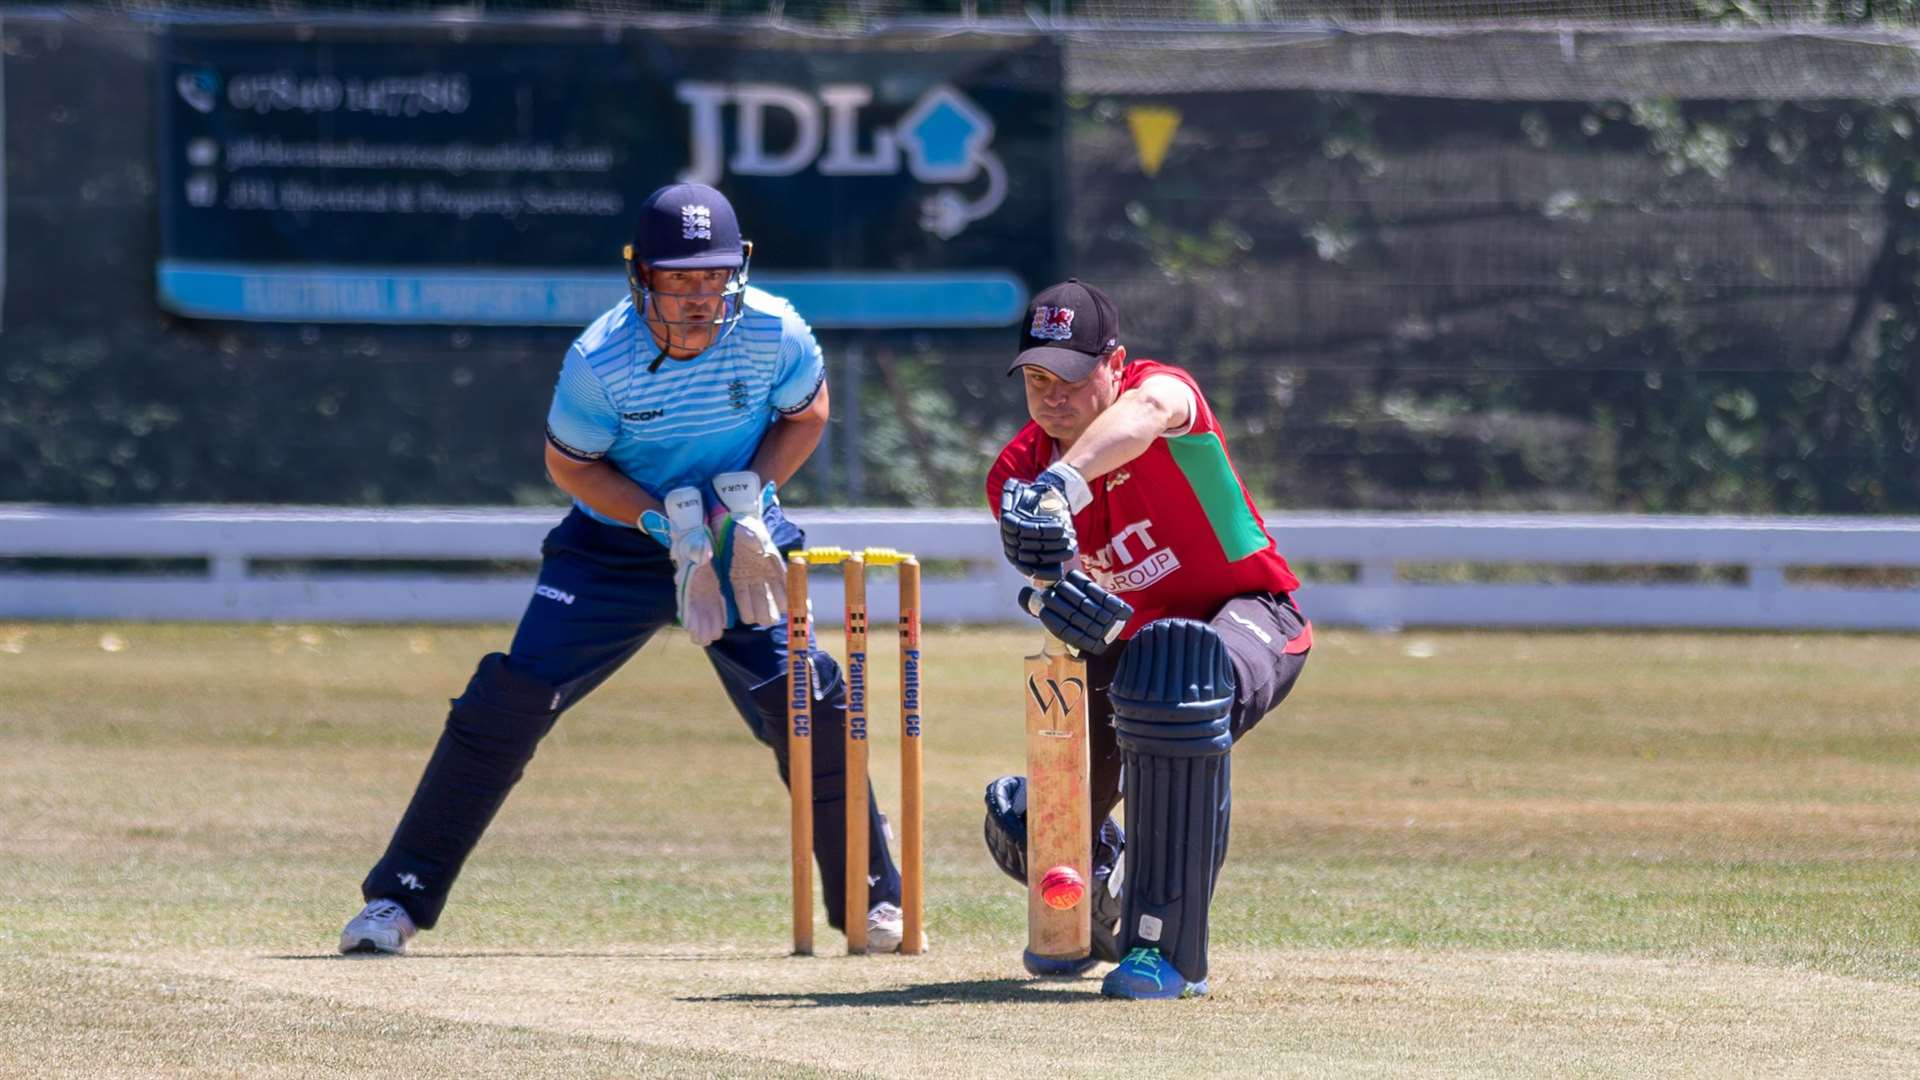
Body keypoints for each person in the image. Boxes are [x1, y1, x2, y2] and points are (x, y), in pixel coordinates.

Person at [338, 182, 906, 955]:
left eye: (712, 278)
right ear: (641, 276)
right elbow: (568, 466)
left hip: (738, 535)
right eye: (679, 279)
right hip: (617, 544)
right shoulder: (600, 360)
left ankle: (870, 902)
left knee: (806, 697)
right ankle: (396, 900)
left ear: (737, 271)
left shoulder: (775, 332)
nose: (699, 299)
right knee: (507, 699)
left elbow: (807, 414)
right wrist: (661, 526)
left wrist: (742, 507)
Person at [982, 278, 1313, 999]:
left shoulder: (1162, 396)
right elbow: (1054, 588)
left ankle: (1164, 948)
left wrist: (1064, 479)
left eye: (1071, 376)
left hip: (1251, 611)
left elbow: (1150, 412)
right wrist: (1058, 603)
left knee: (1178, 684)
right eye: (1037, 377)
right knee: (1026, 822)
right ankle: (1095, 906)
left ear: (1115, 363)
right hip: (1128, 651)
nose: (1053, 396)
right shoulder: (1015, 473)